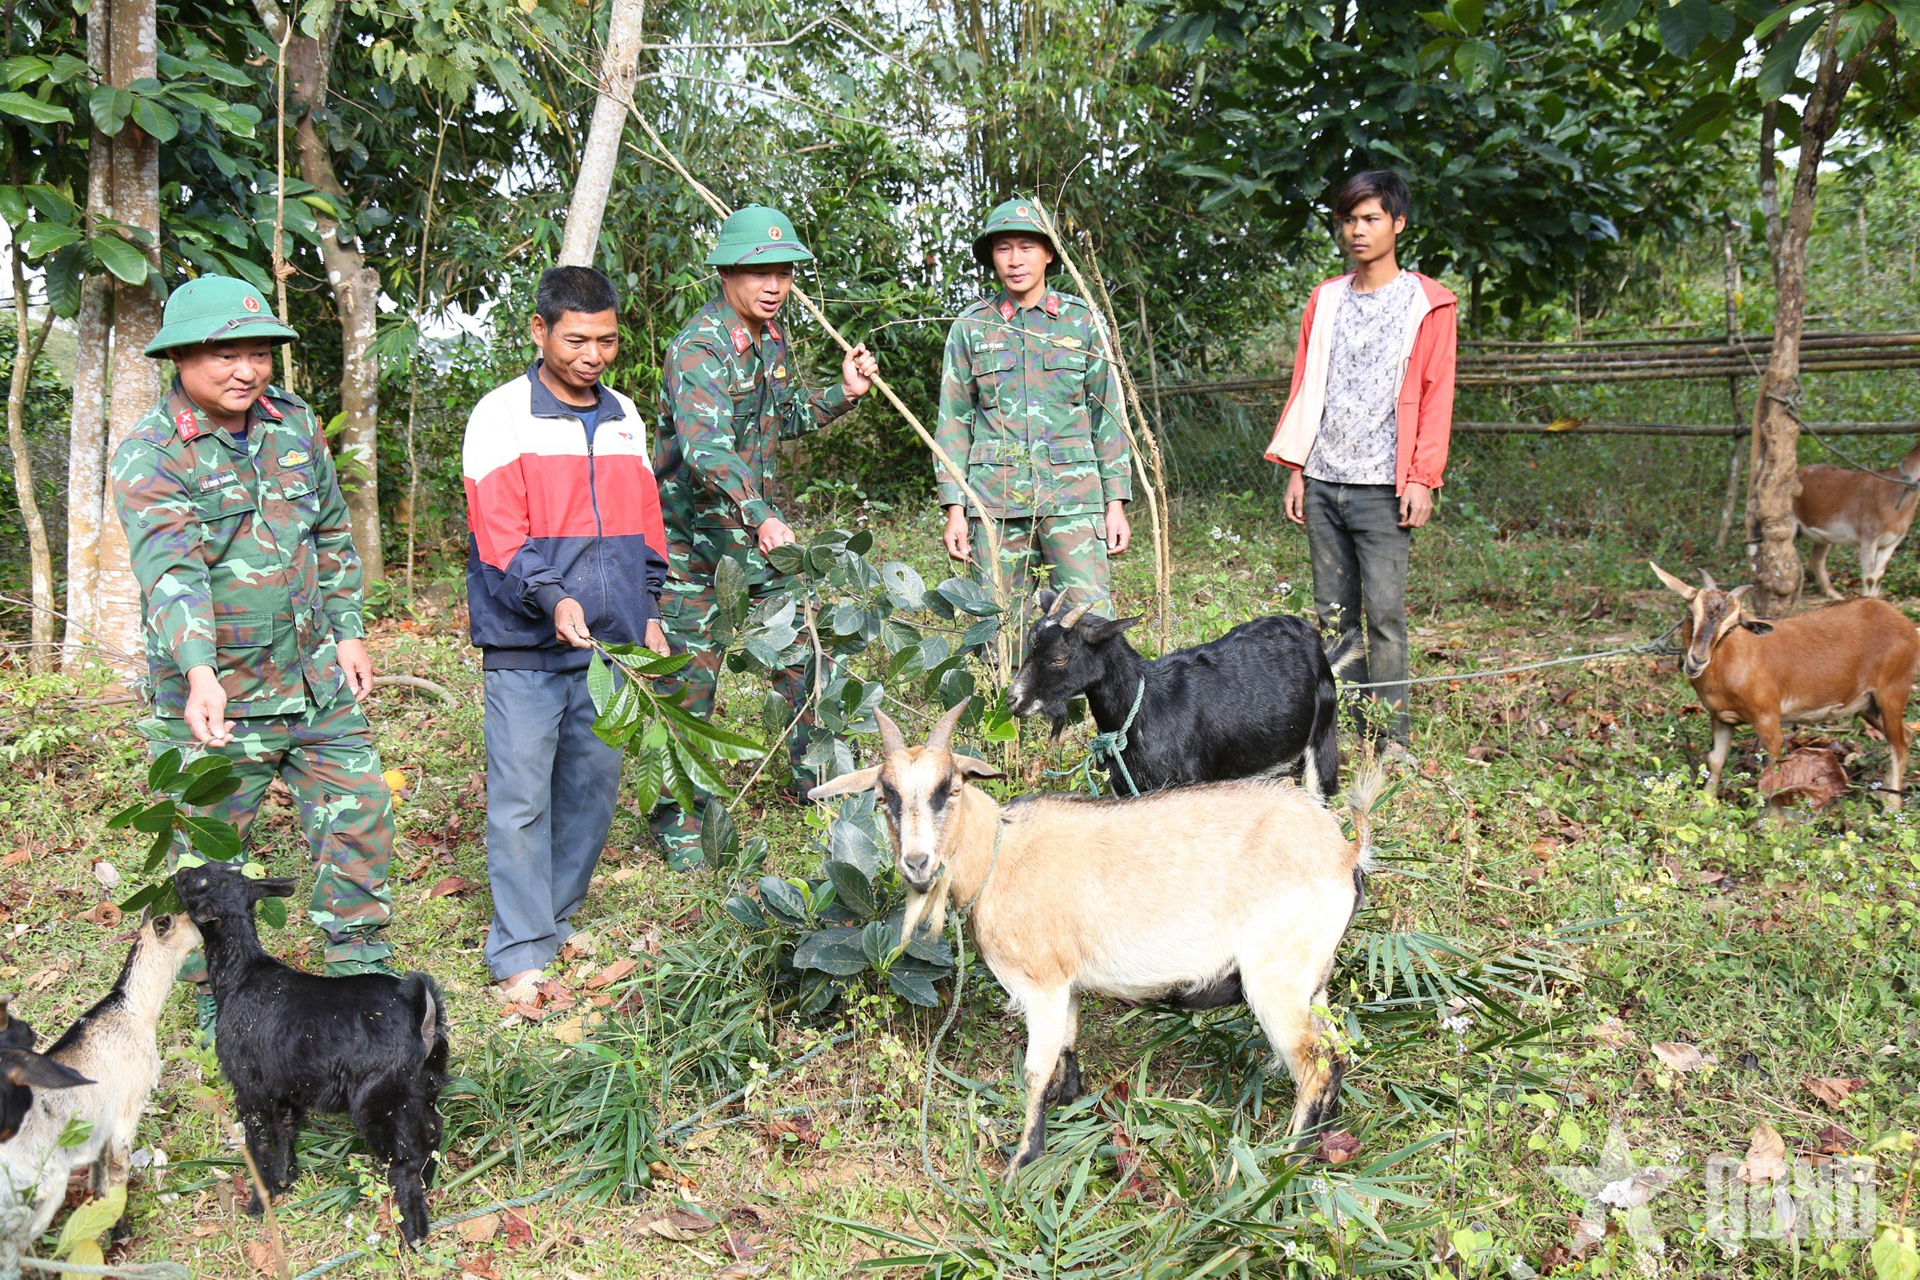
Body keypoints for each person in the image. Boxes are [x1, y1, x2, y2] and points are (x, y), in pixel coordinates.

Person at [111, 274, 398, 1039]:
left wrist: (347, 629)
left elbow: (331, 530)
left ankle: (362, 971)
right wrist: (201, 671)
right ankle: (219, 998)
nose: (246, 370)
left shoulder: (292, 424)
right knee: (209, 858)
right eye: (224, 355)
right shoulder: (151, 454)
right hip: (219, 695)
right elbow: (170, 571)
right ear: (180, 359)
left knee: (359, 813)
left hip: (313, 678)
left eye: (259, 354)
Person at [649, 205, 879, 869]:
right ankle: (679, 825)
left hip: (757, 543)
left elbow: (784, 418)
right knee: (689, 691)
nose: (773, 284)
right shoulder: (699, 348)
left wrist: (843, 392)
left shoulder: (771, 339)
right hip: (695, 551)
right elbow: (707, 451)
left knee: (806, 660)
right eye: (758, 272)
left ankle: (819, 785)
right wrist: (760, 512)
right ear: (726, 273)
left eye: (782, 271)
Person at [462, 266, 670, 996]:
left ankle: (552, 921)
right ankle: (519, 954)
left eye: (606, 340)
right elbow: (498, 534)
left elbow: (646, 523)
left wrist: (647, 609)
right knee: (521, 798)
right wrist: (550, 597)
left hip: (608, 647)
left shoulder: (624, 415)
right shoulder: (501, 415)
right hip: (523, 644)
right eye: (576, 339)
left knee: (591, 790)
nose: (593, 355)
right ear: (538, 330)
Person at [1266, 170, 1458, 754]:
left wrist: (1422, 477)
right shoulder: (1325, 299)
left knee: (1385, 616)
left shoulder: (1429, 302)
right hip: (1324, 478)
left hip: (1384, 485)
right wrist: (1298, 469)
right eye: (1349, 219)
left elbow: (1436, 393)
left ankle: (1391, 737)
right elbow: (1306, 385)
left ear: (1398, 224)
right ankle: (1345, 729)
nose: (1357, 230)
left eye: (1371, 218)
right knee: (1333, 617)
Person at [934, 198, 1131, 629]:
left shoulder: (1082, 322)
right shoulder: (972, 327)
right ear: (991, 257)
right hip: (996, 502)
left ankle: (1091, 700)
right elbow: (953, 420)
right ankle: (1010, 699)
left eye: (1027, 247)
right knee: (999, 628)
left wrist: (1115, 503)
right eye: (1004, 249)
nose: (1015, 260)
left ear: (1049, 253)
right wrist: (955, 510)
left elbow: (1108, 416)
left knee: (1090, 624)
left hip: (1073, 500)